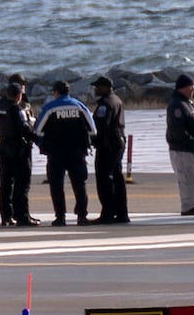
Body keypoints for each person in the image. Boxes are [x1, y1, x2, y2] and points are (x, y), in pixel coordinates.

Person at [34, 79, 96, 225]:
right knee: (79, 184)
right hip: (77, 152)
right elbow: (93, 130)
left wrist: (42, 144)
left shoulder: (49, 108)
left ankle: (60, 217)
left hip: (56, 153)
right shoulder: (80, 106)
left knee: (56, 185)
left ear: (55, 92)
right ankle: (82, 216)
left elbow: (37, 130)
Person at [0, 75, 40, 226]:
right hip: (18, 150)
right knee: (22, 185)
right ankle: (23, 216)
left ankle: (6, 216)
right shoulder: (16, 108)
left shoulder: (0, 105)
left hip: (4, 148)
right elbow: (24, 129)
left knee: (6, 184)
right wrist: (38, 138)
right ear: (18, 94)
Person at [165, 73, 194, 215]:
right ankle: (188, 207)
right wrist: (191, 143)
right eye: (190, 86)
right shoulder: (177, 104)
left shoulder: (191, 102)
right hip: (184, 150)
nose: (193, 89)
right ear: (182, 88)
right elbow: (178, 130)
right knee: (187, 180)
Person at [90, 75, 129, 224]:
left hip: (109, 143)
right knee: (117, 177)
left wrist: (95, 141)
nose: (96, 89)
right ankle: (122, 213)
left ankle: (107, 213)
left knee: (104, 178)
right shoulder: (117, 100)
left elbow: (101, 126)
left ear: (105, 87)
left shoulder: (105, 104)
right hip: (118, 141)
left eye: (98, 87)